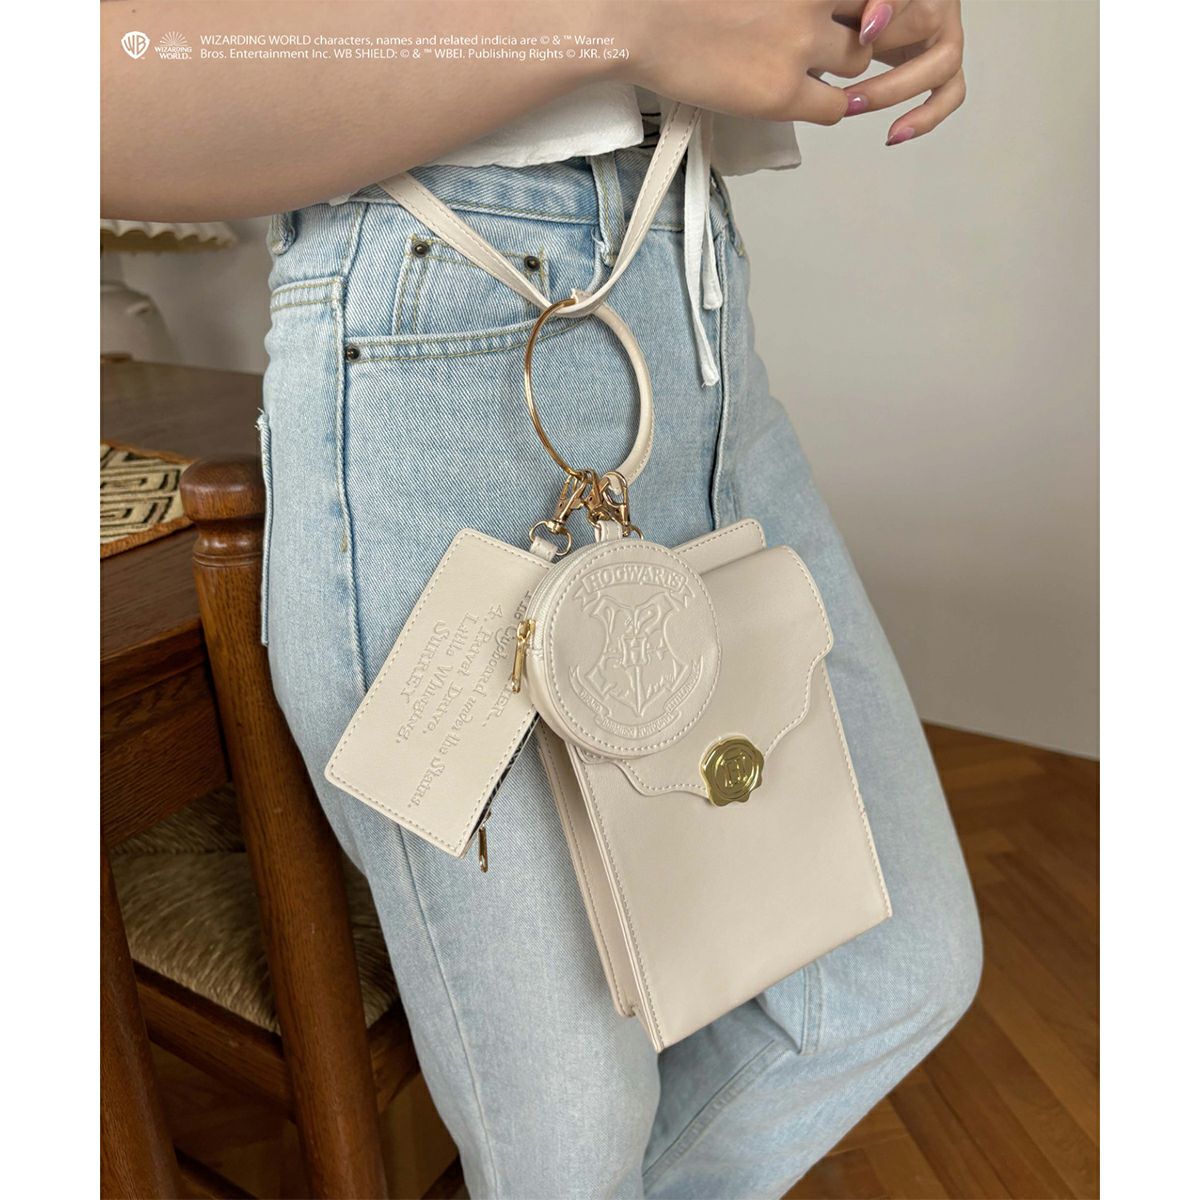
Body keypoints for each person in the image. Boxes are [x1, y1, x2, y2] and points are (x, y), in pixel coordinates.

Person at [102, 3, 980, 1195]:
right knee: (573, 1135)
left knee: (890, 971)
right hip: (443, 316)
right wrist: (621, 23)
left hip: (691, 297)